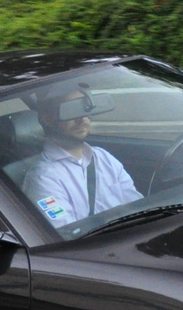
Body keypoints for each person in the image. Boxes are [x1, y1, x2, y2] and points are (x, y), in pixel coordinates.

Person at [22, 84, 141, 227]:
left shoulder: (103, 157)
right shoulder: (43, 178)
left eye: (84, 108)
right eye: (71, 110)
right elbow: (66, 236)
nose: (81, 119)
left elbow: (137, 207)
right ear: (47, 119)